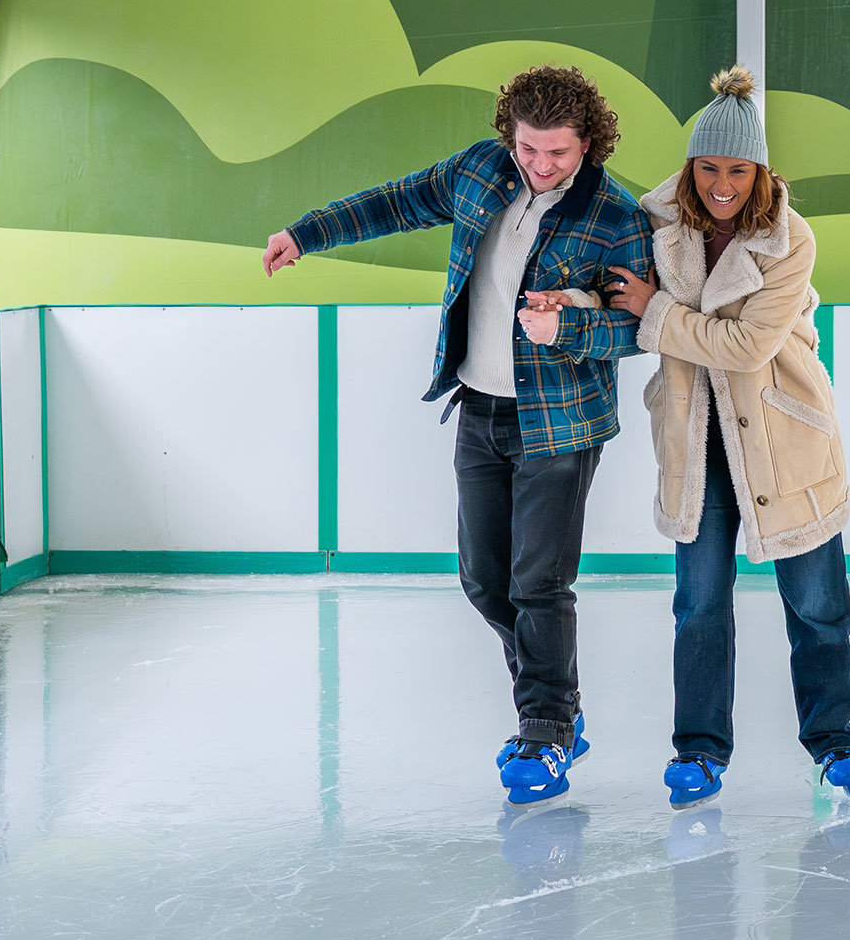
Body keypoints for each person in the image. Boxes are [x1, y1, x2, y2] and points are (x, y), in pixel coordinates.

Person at [262, 65, 652, 807]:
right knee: (482, 579)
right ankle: (561, 710)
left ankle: (542, 727)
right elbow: (397, 202)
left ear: (589, 145)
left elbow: (636, 329)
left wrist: (568, 326)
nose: (541, 166)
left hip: (562, 423)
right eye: (530, 149)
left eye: (558, 154)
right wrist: (305, 233)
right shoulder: (480, 169)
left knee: (539, 582)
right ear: (510, 134)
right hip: (480, 408)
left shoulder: (615, 214)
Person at [540, 65, 850, 809]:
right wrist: (575, 300)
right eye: (711, 168)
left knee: (816, 605)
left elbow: (748, 348)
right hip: (697, 445)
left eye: (740, 170)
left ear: (761, 172)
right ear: (691, 168)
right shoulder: (656, 224)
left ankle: (835, 744)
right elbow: (613, 289)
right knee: (700, 605)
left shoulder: (790, 241)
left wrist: (659, 314)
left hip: (786, 441)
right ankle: (699, 752)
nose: (724, 184)